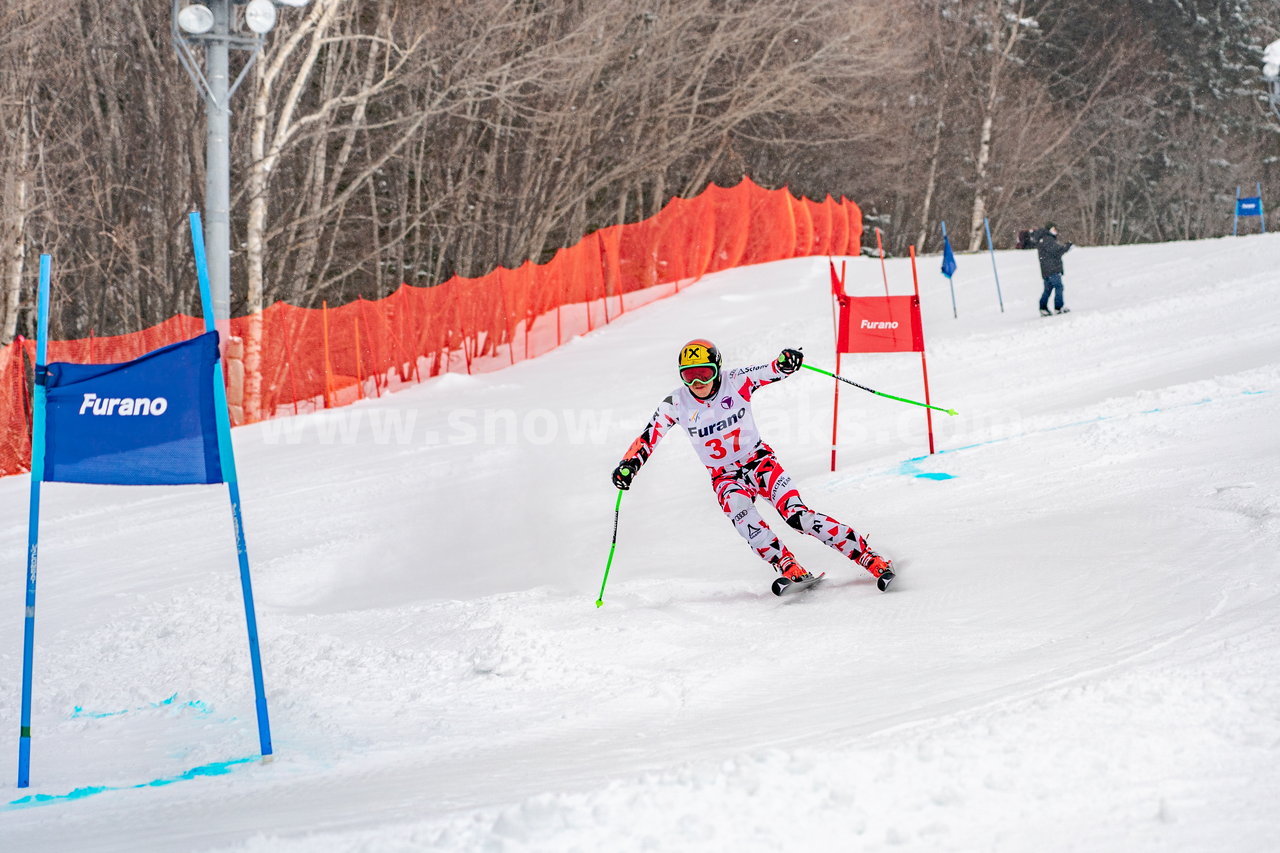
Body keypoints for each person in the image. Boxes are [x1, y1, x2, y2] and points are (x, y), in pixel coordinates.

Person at [610, 339, 894, 596]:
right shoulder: (676, 403)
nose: (697, 382)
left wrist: (786, 363)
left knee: (797, 517)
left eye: (704, 373)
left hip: (759, 462)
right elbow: (649, 436)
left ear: (717, 369)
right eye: (689, 376)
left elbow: (772, 369)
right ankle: (787, 566)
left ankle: (868, 557)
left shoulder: (737, 381)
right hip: (724, 476)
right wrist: (629, 464)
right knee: (746, 520)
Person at [1036, 222, 1073, 316]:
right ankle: (1058, 307)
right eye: (1053, 229)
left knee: (1048, 289)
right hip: (1052, 269)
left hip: (1047, 270)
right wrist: (1067, 246)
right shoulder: (1047, 239)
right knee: (1059, 287)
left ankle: (1043, 308)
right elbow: (1057, 251)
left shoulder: (1043, 239)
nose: (1055, 231)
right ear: (1049, 230)